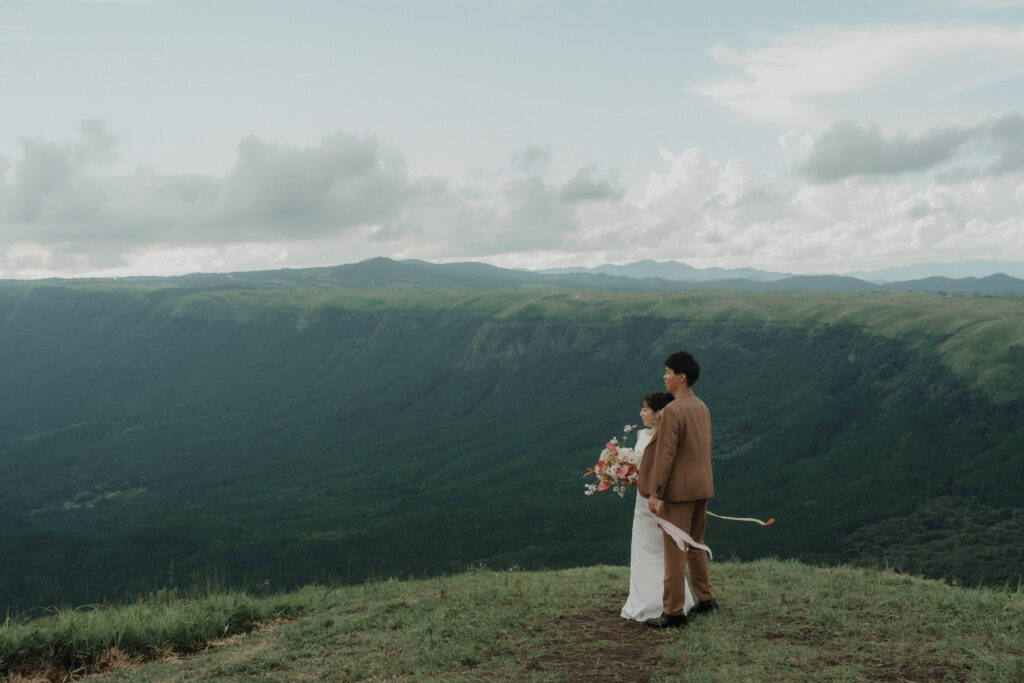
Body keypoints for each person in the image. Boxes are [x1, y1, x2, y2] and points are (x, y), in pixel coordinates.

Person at [638, 351, 718, 629]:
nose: (665, 376)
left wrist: (656, 493)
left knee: (675, 549)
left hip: (679, 493)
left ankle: (672, 612)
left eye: (669, 372)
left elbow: (666, 455)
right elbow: (706, 448)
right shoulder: (702, 407)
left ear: (681, 377)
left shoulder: (672, 410)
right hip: (702, 487)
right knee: (696, 542)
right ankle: (706, 598)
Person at [620, 391, 695, 622]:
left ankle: (666, 601)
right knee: (642, 548)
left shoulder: (669, 436)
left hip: (659, 499)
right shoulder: (642, 434)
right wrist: (625, 474)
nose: (641, 413)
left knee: (664, 550)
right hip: (641, 504)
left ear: (659, 412)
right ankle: (644, 598)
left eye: (645, 409)